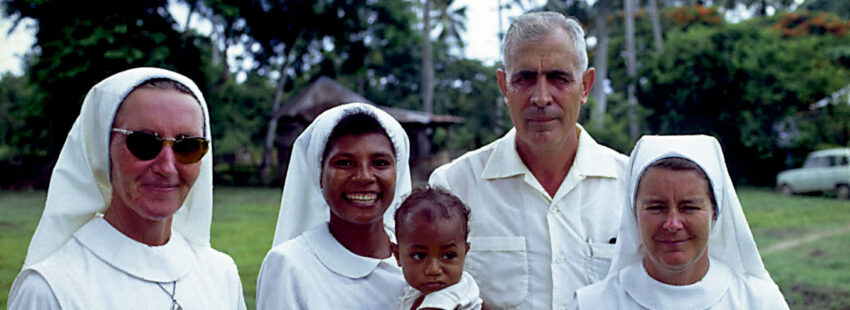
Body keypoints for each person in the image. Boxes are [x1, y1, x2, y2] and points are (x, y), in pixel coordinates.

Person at [429, 11, 627, 309]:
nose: (541, 97)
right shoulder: (453, 187)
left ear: (585, 86)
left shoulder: (633, 186)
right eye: (525, 79)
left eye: (559, 78)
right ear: (503, 86)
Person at [8, 67, 246, 309]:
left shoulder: (221, 275)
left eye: (188, 146)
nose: (167, 167)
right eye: (143, 143)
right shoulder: (51, 289)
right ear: (103, 148)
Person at [572, 135, 789, 309]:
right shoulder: (593, 304)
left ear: (715, 211)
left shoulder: (759, 302)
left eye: (689, 207)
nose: (673, 224)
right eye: (656, 207)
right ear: (634, 213)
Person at [256, 103, 412, 309]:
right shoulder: (290, 266)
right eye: (344, 163)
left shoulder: (422, 258)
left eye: (380, 163)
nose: (364, 176)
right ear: (319, 175)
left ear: (397, 172)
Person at [392, 186, 483, 310]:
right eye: (419, 256)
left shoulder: (452, 296)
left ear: (465, 253)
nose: (433, 270)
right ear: (397, 256)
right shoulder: (414, 293)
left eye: (448, 256)